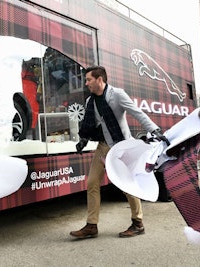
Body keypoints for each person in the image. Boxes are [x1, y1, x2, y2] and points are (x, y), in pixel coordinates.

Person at [70, 66, 169, 239]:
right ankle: (91, 225)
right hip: (102, 147)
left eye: (88, 80)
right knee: (92, 183)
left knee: (126, 185)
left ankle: (138, 223)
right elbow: (90, 124)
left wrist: (154, 129)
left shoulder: (117, 95)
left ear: (99, 79)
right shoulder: (90, 102)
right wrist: (83, 140)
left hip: (120, 147)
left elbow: (137, 113)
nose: (86, 84)